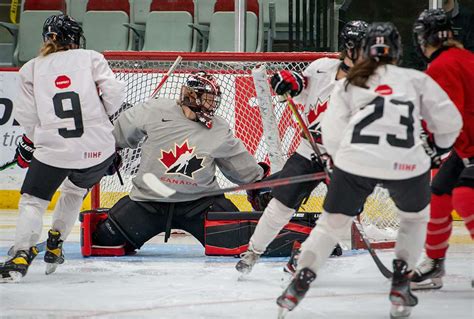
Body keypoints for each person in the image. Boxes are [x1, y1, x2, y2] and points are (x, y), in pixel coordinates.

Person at [276, 22, 462, 318]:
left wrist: (340, 163)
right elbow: (451, 122)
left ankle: (301, 279)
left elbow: (332, 131)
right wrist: (436, 151)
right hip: (406, 162)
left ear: (364, 51)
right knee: (414, 219)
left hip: (356, 162)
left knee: (330, 225)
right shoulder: (415, 79)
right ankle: (401, 281)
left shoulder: (349, 83)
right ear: (398, 51)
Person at [235, 20, 369, 275]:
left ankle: (304, 257)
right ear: (349, 47)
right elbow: (298, 86)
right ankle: (253, 251)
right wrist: (286, 81)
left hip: (344, 158)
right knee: (281, 204)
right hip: (309, 150)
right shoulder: (322, 69)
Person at [84, 71, 268, 255]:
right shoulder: (154, 110)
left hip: (201, 204)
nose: (213, 105)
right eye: (208, 99)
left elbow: (242, 168)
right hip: (149, 202)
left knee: (243, 243)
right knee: (103, 241)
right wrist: (108, 153)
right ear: (191, 95)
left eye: (214, 99)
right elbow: (116, 135)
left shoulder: (219, 129)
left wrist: (259, 185)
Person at [0, 14, 125, 282]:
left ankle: (21, 255)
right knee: (74, 191)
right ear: (74, 38)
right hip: (98, 150)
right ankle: (56, 242)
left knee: (33, 201)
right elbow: (114, 95)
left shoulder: (30, 69)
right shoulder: (91, 57)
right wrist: (100, 118)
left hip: (54, 150)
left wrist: (33, 141)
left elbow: (28, 117)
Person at [410, 8, 474, 290]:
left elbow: (449, 115)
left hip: (469, 143)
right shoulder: (462, 57)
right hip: (466, 145)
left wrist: (432, 144)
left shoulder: (442, 65)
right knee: (440, 191)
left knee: (464, 197)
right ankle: (435, 261)